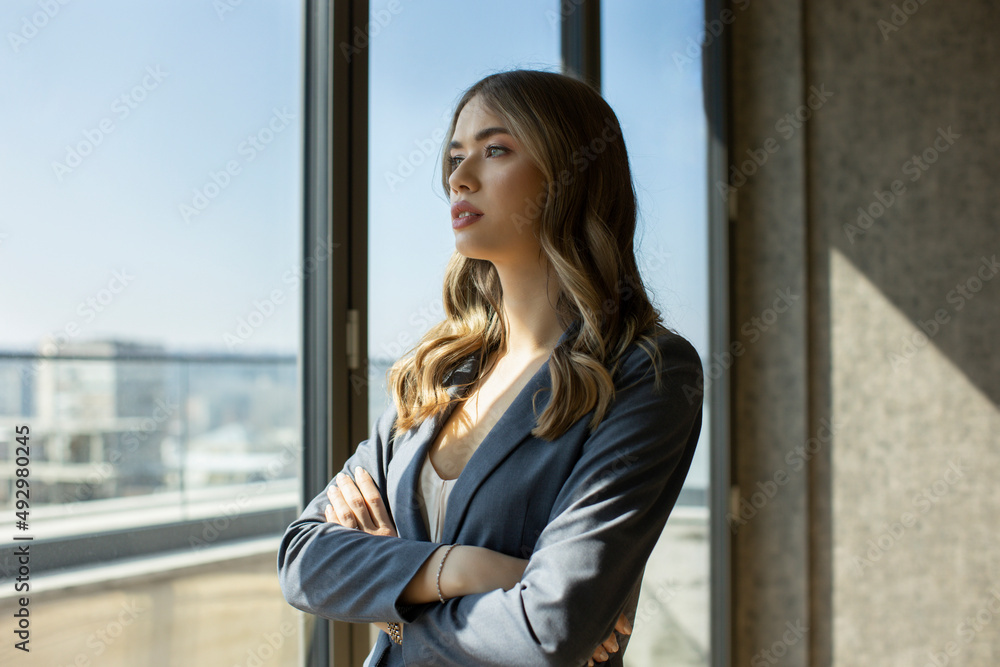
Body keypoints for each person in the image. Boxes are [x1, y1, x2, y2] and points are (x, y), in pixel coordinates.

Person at [278, 68, 704, 667]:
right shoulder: (439, 371)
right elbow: (302, 560)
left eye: (495, 150)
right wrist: (464, 569)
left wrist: (390, 600)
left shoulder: (646, 371)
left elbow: (546, 633)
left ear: (572, 172)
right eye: (454, 157)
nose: (459, 177)